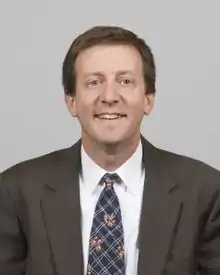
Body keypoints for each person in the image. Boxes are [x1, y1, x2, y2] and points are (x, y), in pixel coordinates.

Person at [0, 25, 220, 275]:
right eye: (94, 82)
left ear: (148, 99)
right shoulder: (15, 192)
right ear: (71, 101)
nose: (109, 96)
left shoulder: (207, 192)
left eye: (125, 81)